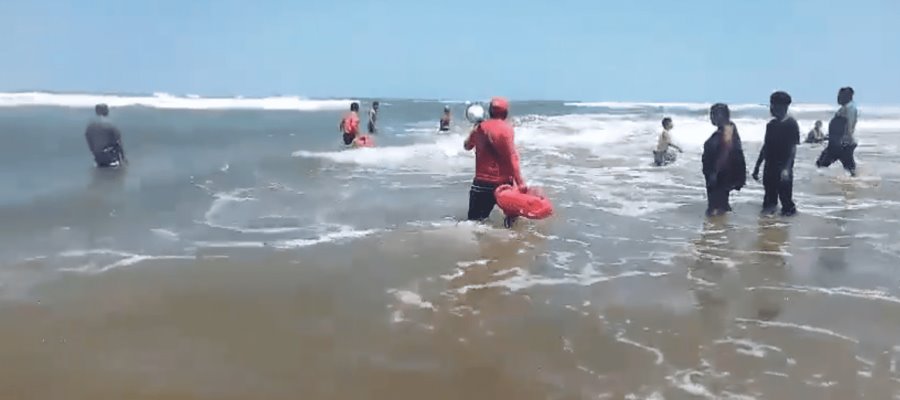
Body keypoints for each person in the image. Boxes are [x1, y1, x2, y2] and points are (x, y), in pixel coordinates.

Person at [464, 97, 526, 227]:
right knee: (512, 223)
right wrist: (520, 183)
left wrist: (475, 128)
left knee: (474, 224)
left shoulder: (479, 129)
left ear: (490, 111)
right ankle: (510, 245)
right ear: (506, 113)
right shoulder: (506, 129)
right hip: (503, 185)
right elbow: (511, 157)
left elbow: (467, 146)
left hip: (481, 184)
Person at [752, 91, 800, 216]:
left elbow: (792, 149)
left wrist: (786, 169)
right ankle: (769, 229)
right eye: (771, 105)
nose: (771, 108)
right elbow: (765, 146)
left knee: (786, 202)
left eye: (774, 105)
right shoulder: (771, 125)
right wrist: (757, 166)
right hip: (769, 167)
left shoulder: (791, 124)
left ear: (784, 106)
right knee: (768, 201)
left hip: (783, 167)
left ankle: (786, 228)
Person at [702, 103, 747, 217]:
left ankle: (716, 230)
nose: (711, 117)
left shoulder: (727, 129)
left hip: (720, 175)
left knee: (715, 207)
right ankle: (722, 230)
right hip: (721, 175)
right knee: (721, 205)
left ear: (723, 115)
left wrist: (715, 173)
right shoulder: (727, 129)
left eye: (713, 114)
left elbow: (726, 150)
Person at [816, 87, 858, 176]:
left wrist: (844, 138)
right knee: (850, 169)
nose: (838, 98)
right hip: (838, 143)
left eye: (840, 96)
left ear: (847, 96)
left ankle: (822, 184)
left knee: (821, 165)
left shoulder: (849, 108)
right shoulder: (846, 108)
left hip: (841, 144)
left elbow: (849, 124)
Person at [84, 103, 127, 168]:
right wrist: (123, 158)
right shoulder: (110, 124)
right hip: (111, 157)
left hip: (98, 157)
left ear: (97, 111)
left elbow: (88, 139)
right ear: (106, 111)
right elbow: (118, 143)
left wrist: (94, 151)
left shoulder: (90, 126)